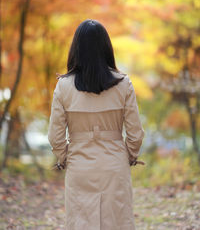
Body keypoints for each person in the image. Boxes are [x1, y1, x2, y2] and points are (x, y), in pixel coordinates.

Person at [48, 19, 145, 230]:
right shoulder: (123, 84)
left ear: (76, 49)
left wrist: (67, 157)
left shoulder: (63, 86)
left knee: (81, 222)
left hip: (79, 165)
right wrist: (127, 155)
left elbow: (55, 136)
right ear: (106, 48)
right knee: (116, 222)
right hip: (114, 164)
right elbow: (135, 133)